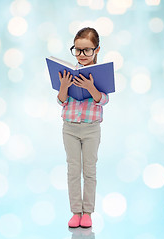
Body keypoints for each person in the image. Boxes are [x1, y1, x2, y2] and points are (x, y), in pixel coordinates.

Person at [57, 27, 109, 228]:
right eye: (77, 50)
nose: (82, 55)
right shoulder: (69, 72)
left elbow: (103, 100)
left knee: (89, 170)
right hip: (69, 127)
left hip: (91, 128)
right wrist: (64, 85)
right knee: (73, 169)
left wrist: (90, 87)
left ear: (96, 50)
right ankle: (75, 212)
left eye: (87, 50)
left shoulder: (101, 73)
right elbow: (61, 101)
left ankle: (87, 212)